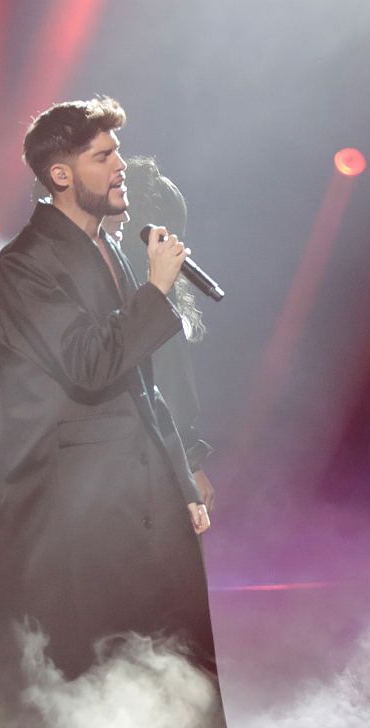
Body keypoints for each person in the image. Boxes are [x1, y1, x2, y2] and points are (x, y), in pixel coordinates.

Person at [0, 95, 276, 728]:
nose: (122, 167)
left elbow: (142, 385)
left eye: (117, 152)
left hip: (136, 489)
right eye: (102, 157)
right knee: (82, 662)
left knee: (173, 644)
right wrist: (155, 290)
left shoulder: (107, 250)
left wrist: (183, 479)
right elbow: (91, 366)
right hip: (72, 509)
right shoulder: (25, 265)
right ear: (60, 173)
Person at [104, 156, 214, 512]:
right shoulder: (150, 292)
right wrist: (191, 464)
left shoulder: (108, 276)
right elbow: (166, 383)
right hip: (152, 467)